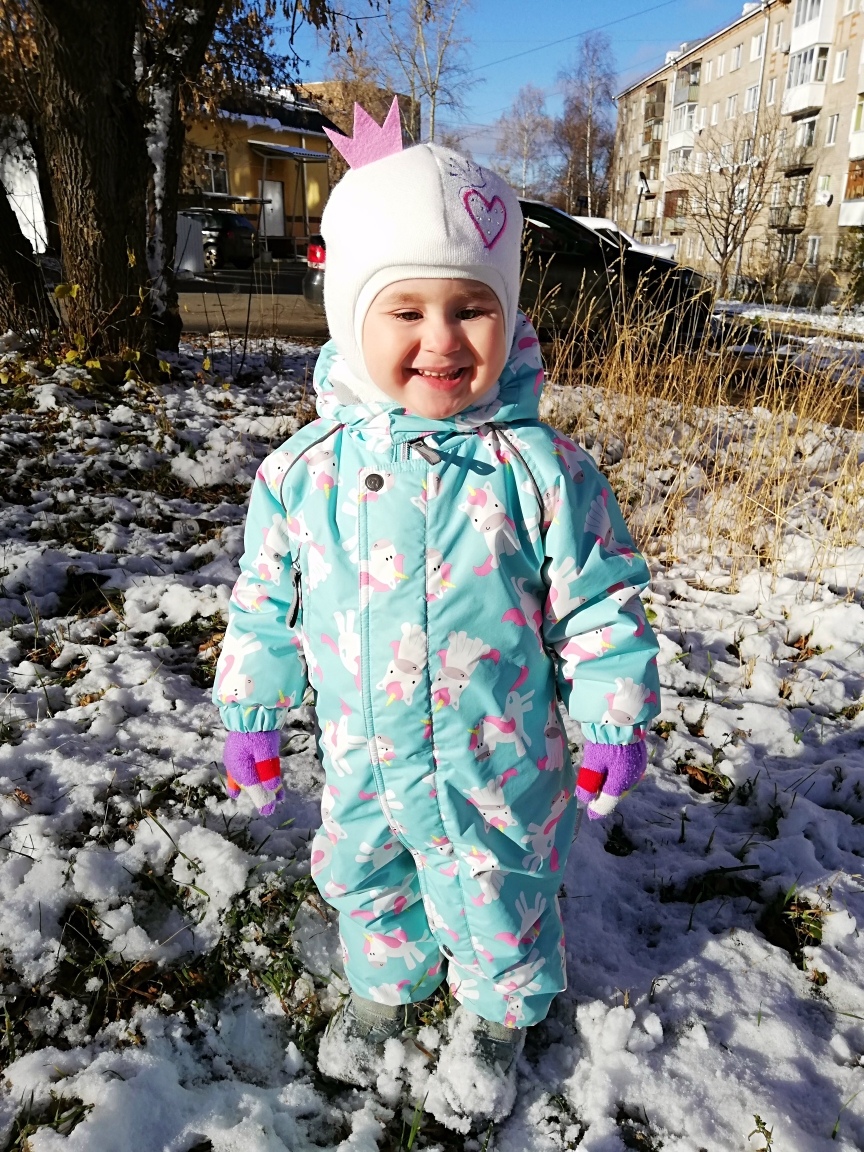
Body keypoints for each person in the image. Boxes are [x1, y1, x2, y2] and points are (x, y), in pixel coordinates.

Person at [212, 99, 660, 1120]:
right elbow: (265, 601)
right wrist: (252, 707)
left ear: (509, 315)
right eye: (406, 311)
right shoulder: (303, 475)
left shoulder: (542, 471)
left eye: (470, 308)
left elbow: (600, 601)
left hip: (497, 759)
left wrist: (613, 714)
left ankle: (499, 1013)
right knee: (366, 866)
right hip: (362, 753)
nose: (442, 340)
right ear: (350, 317)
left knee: (499, 881)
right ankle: (387, 984)